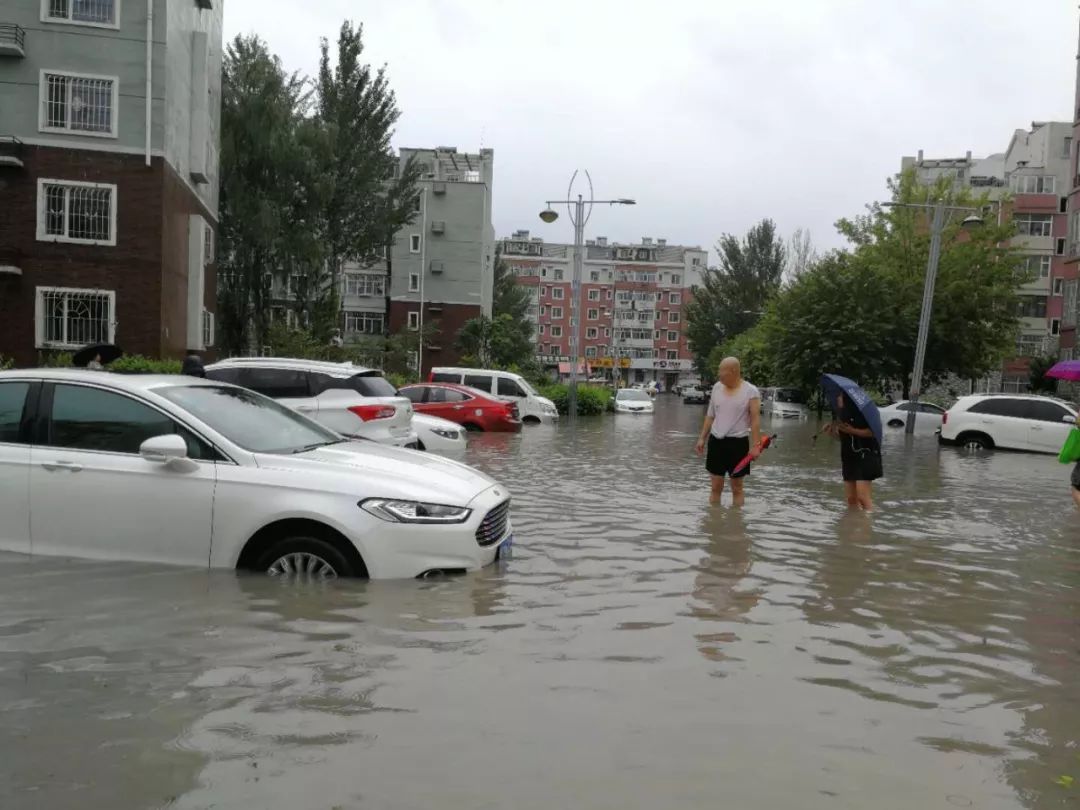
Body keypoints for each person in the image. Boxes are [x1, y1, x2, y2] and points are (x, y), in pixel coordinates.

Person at [694, 357, 762, 507]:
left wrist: (756, 446)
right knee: (715, 487)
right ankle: (714, 525)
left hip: (738, 444)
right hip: (716, 441)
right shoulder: (717, 387)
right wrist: (701, 438)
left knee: (737, 488)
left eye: (722, 371)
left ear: (733, 371)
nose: (719, 374)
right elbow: (710, 415)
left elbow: (755, 420)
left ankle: (736, 526)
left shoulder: (750, 391)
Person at [822, 392, 882, 511]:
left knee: (862, 497)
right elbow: (844, 439)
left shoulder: (863, 414)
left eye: (839, 397)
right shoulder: (842, 416)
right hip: (849, 457)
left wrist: (852, 430)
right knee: (851, 499)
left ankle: (867, 526)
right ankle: (853, 523)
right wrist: (831, 433)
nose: (837, 399)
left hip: (865, 456)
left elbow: (871, 433)